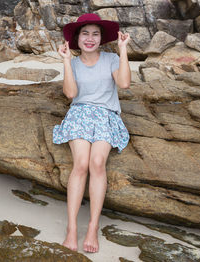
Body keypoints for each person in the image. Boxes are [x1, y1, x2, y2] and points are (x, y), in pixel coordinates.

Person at [53, 13, 131, 253]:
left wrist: (123, 49)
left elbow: (125, 84)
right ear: (77, 38)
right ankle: (72, 229)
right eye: (85, 33)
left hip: (106, 115)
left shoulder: (110, 59)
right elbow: (70, 93)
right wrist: (66, 61)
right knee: (81, 164)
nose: (90, 38)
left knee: (97, 163)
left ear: (101, 38)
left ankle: (92, 227)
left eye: (95, 34)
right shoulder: (74, 63)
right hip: (79, 114)